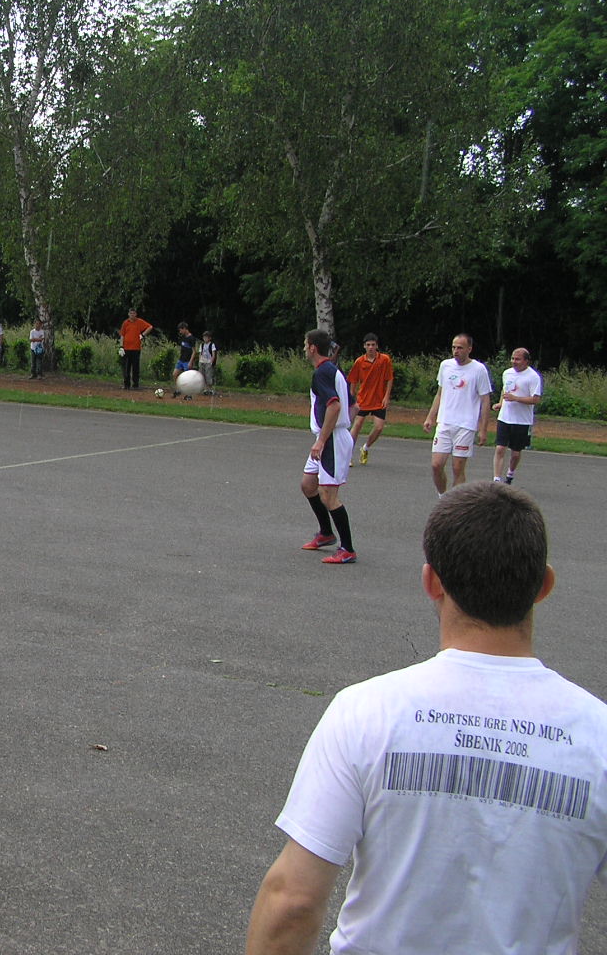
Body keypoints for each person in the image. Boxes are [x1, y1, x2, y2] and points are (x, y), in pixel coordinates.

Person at [245, 481, 607, 955]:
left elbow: (293, 901)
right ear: (544, 586)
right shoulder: (596, 734)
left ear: (431, 582)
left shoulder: (366, 712)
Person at [299, 329, 356, 564]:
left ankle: (347, 549)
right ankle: (325, 533)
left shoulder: (322, 372)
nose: (304, 348)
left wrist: (324, 440)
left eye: (305, 344)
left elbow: (335, 406)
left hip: (330, 439)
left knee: (328, 495)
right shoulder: (333, 370)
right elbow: (354, 405)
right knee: (308, 484)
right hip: (329, 436)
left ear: (313, 347)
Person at [423, 333, 492, 496]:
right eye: (454, 347)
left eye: (460, 348)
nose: (456, 351)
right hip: (445, 422)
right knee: (436, 465)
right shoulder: (445, 366)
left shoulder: (478, 370)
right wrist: (430, 417)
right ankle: (443, 498)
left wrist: (483, 429)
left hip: (465, 425)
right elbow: (440, 393)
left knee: (457, 467)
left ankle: (456, 503)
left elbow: (485, 401)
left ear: (469, 349)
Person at [493, 347, 543, 486]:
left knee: (515, 453)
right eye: (512, 358)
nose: (514, 362)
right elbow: (505, 390)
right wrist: (501, 403)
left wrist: (516, 398)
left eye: (518, 359)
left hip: (522, 421)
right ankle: (496, 480)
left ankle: (510, 474)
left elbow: (535, 399)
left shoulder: (533, 377)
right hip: (504, 418)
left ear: (526, 361)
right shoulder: (507, 373)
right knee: (500, 448)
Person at [348, 333, 394, 465]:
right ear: (364, 346)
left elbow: (389, 378)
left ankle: (365, 448)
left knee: (379, 427)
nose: (371, 347)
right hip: (363, 399)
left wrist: (386, 396)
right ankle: (348, 455)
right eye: (368, 345)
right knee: (357, 425)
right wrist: (352, 398)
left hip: (379, 400)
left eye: (373, 345)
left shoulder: (384, 360)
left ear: (377, 346)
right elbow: (353, 380)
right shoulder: (359, 361)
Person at [118, 308, 154, 389]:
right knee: (126, 367)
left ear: (136, 314)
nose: (132, 315)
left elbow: (150, 327)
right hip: (126, 348)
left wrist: (143, 335)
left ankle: (135, 384)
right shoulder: (125, 323)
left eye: (133, 313)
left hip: (136, 348)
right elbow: (122, 335)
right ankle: (126, 384)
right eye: (131, 313)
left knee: (135, 367)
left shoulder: (139, 322)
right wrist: (121, 346)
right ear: (128, 314)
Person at [171, 322, 197, 398]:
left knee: (187, 378)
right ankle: (179, 389)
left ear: (185, 329)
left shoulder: (191, 338)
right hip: (181, 360)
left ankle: (189, 394)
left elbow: (194, 351)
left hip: (187, 361)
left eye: (181, 330)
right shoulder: (183, 337)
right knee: (175, 374)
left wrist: (190, 362)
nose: (180, 332)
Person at [196, 330, 219, 395]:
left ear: (209, 338)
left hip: (208, 362)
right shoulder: (202, 345)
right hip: (202, 361)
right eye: (204, 337)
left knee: (209, 376)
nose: (205, 338)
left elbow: (213, 354)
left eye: (206, 337)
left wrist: (211, 362)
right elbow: (200, 353)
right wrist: (200, 361)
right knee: (202, 375)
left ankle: (211, 389)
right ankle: (205, 389)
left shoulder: (212, 345)